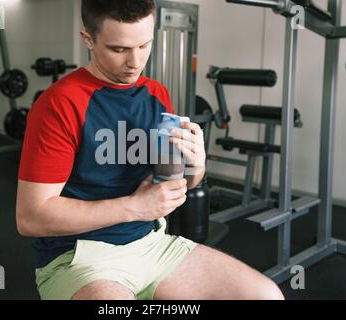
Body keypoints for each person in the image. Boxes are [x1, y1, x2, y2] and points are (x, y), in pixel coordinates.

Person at [16, 0, 284, 300]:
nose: (135, 61)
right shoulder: (59, 104)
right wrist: (134, 207)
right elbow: (31, 217)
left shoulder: (156, 94)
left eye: (145, 45)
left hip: (153, 245)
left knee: (265, 296)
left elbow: (173, 187)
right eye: (119, 49)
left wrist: (195, 165)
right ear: (88, 39)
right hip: (80, 256)